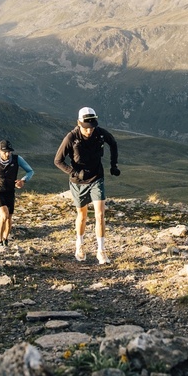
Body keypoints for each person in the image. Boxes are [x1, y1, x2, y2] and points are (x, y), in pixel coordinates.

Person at [53, 107, 120, 264]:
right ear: (79, 123)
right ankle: (80, 245)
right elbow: (58, 160)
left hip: (97, 177)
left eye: (92, 127)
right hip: (78, 182)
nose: (89, 131)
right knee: (82, 215)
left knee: (100, 215)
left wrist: (114, 165)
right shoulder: (71, 137)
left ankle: (101, 251)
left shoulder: (100, 133)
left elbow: (113, 143)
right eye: (86, 127)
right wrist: (74, 172)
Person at [0, 139, 34, 248]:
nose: (7, 154)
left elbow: (30, 171)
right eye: (5, 152)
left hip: (10, 191)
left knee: (9, 217)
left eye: (9, 151)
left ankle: (5, 240)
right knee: (4, 215)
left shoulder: (17, 159)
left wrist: (23, 180)